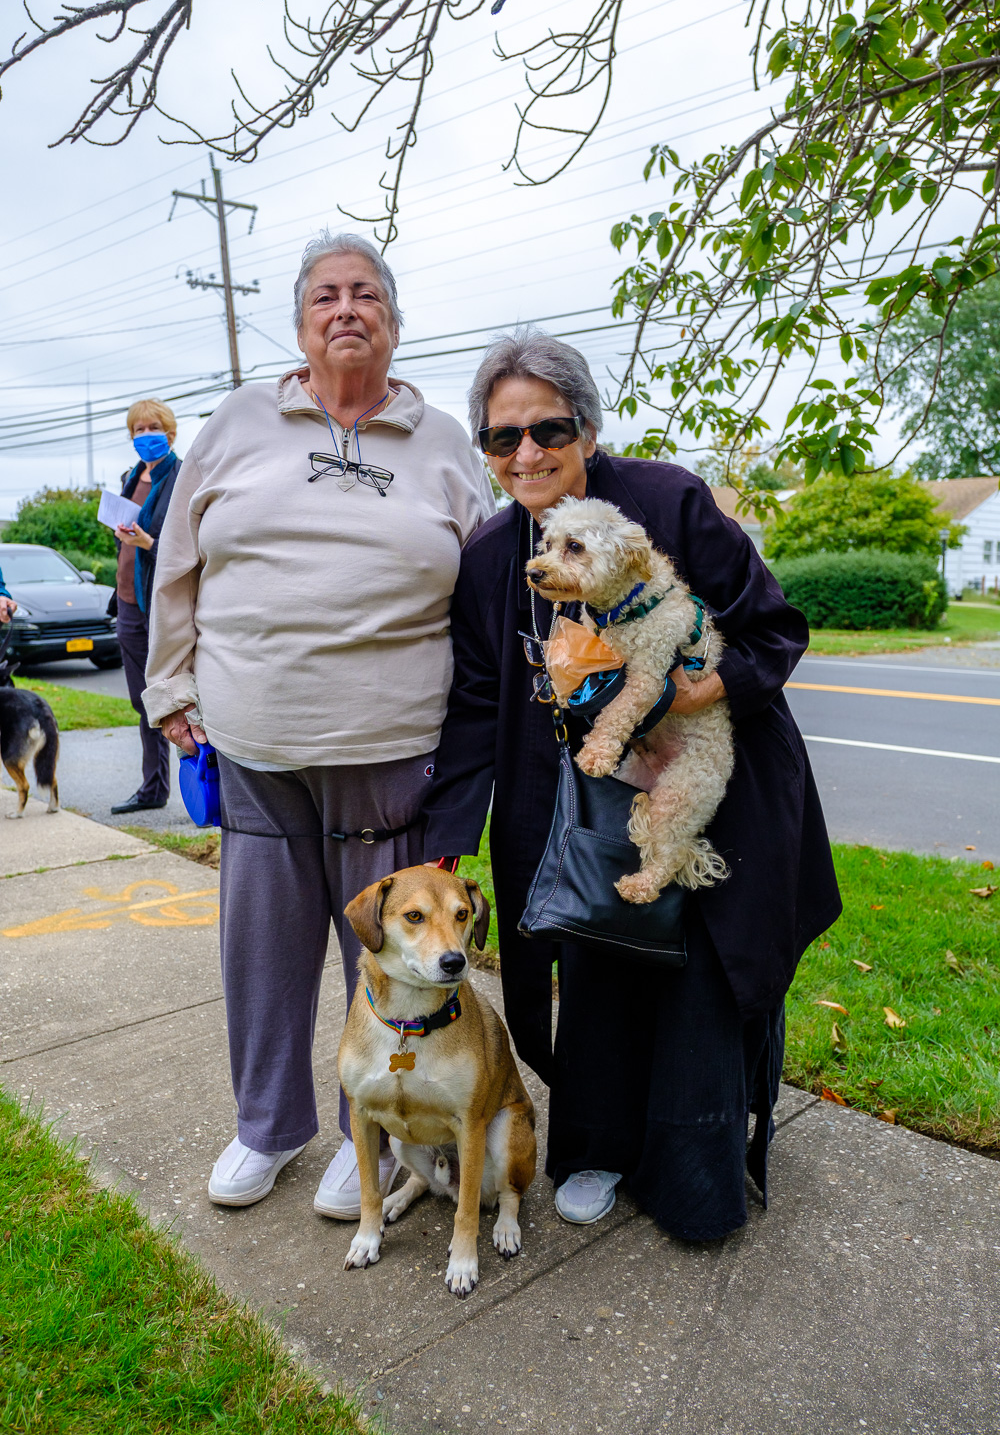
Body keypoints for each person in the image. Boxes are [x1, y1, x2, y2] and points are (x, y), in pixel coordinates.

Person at [422, 329, 842, 1240]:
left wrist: (699, 687)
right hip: (568, 797)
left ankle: (694, 1167)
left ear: (588, 428)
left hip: (705, 779)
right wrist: (447, 838)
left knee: (691, 969)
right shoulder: (494, 555)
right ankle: (598, 1148)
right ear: (486, 451)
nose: (527, 453)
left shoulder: (669, 503)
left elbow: (773, 628)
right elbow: (475, 702)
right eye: (503, 438)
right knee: (600, 968)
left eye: (548, 429)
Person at [142, 230, 495, 1215]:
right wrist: (168, 686)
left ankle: (374, 1139)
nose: (348, 308)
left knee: (394, 963)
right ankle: (267, 1127)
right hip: (253, 743)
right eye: (326, 295)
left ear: (392, 320)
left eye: (367, 294)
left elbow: (484, 586)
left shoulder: (440, 443)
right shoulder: (240, 421)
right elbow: (177, 562)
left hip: (394, 750)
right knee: (262, 948)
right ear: (300, 322)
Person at [110, 399, 182, 814]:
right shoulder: (131, 476)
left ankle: (208, 791)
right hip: (127, 602)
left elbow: (191, 543)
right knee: (144, 700)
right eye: (138, 429)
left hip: (163, 602)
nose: (145, 435)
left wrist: (148, 543)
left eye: (153, 427)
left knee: (182, 696)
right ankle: (153, 790)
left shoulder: (183, 474)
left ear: (169, 432)